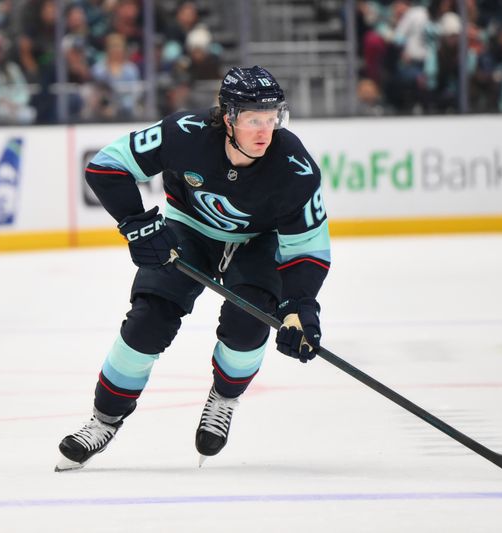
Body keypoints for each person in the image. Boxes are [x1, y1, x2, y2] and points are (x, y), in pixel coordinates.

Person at [55, 66, 331, 471]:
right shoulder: (185, 132)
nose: (264, 131)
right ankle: (104, 419)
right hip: (188, 229)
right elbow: (106, 167)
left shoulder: (295, 167)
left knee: (250, 324)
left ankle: (224, 397)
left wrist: (299, 307)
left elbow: (308, 249)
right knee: (148, 321)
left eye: (272, 118)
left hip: (258, 243)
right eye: (254, 118)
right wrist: (138, 225)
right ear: (228, 116)